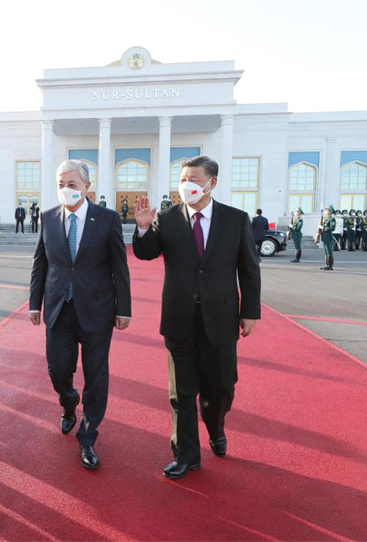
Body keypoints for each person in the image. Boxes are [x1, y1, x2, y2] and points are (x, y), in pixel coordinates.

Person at [132, 155, 260, 480]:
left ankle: (216, 428)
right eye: (182, 179)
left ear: (211, 183)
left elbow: (248, 269)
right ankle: (186, 454)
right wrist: (144, 228)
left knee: (221, 390)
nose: (186, 185)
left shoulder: (235, 219)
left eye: (193, 179)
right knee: (181, 394)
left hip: (221, 318)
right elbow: (147, 253)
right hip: (179, 319)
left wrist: (250, 312)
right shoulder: (167, 218)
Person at [29, 159, 131, 470]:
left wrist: (123, 308)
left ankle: (87, 437)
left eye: (72, 184)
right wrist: (35, 303)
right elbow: (40, 264)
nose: (65, 190)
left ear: (87, 187)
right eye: (61, 184)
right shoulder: (47, 219)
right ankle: (68, 400)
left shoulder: (107, 218)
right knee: (58, 370)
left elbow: (119, 267)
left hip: (97, 310)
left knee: (96, 376)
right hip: (59, 308)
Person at [317, 205, 336, 270]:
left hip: (328, 237)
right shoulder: (326, 218)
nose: (326, 211)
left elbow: (332, 228)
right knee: (326, 252)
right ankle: (326, 264)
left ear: (330, 211)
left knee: (329, 251)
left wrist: (324, 227)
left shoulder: (332, 219)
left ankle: (330, 265)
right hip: (324, 237)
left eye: (327, 210)